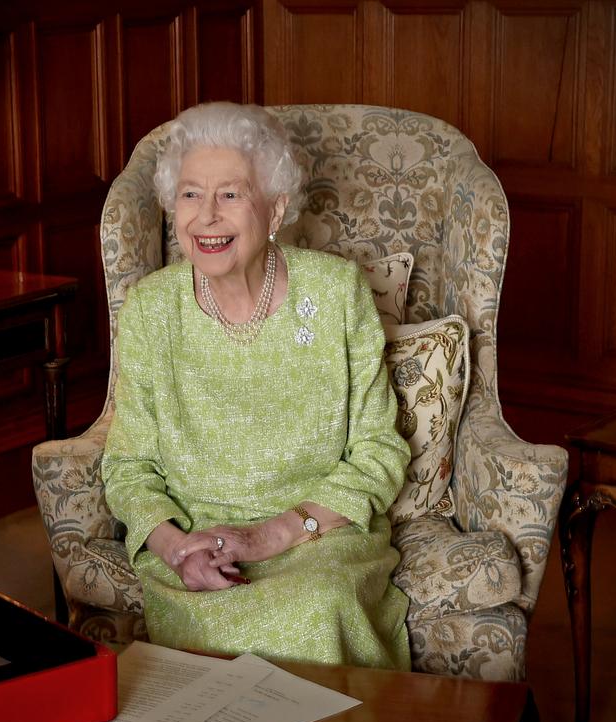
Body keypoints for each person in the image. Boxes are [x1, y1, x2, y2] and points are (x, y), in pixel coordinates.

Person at [100, 102, 412, 669]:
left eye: (231, 194)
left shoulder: (338, 292)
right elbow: (128, 468)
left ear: (275, 209)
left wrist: (270, 537)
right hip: (196, 549)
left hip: (319, 538)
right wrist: (177, 550)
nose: (207, 217)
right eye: (191, 194)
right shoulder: (150, 309)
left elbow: (378, 451)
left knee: (317, 609)